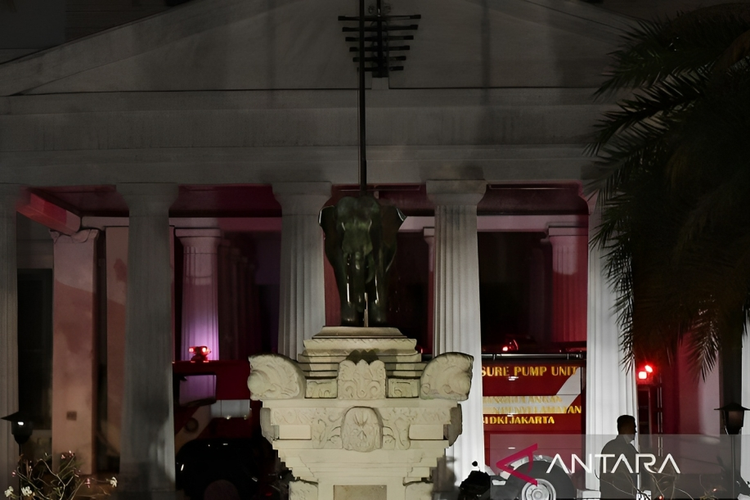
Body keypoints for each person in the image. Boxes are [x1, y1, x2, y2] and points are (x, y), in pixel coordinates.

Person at [599, 415, 639, 499]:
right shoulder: (624, 448)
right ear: (626, 428)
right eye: (633, 427)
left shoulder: (611, 447)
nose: (635, 431)